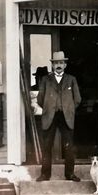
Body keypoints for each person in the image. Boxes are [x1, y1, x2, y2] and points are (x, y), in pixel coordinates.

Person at [35, 51, 82, 181]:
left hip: (66, 117)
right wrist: (49, 108)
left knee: (68, 146)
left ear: (65, 65)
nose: (59, 65)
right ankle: (45, 174)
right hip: (50, 116)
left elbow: (77, 99)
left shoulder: (71, 79)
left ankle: (70, 174)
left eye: (61, 63)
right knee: (47, 146)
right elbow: (40, 99)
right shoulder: (45, 80)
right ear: (53, 65)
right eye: (56, 63)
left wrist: (68, 109)